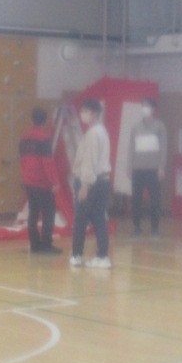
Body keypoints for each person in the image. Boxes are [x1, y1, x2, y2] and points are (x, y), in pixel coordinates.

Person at [69, 98, 112, 269]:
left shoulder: (93, 134)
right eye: (82, 111)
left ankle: (76, 255)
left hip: (91, 181)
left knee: (80, 219)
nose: (82, 115)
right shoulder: (101, 130)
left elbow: (89, 161)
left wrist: (85, 185)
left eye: (85, 111)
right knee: (99, 218)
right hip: (103, 180)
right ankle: (102, 256)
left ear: (94, 114)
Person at [19, 107, 62, 255]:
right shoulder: (44, 138)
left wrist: (26, 177)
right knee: (48, 214)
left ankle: (34, 244)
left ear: (32, 120)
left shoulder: (24, 139)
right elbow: (47, 163)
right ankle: (46, 245)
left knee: (33, 213)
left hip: (29, 182)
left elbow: (22, 161)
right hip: (43, 183)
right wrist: (55, 182)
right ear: (45, 121)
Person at [127, 97, 167, 237]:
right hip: (137, 169)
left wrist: (161, 167)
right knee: (136, 200)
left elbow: (163, 148)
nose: (144, 108)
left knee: (155, 200)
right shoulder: (135, 127)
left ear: (153, 109)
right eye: (143, 106)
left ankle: (155, 228)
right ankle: (136, 227)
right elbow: (131, 148)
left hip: (153, 169)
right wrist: (129, 166)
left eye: (147, 106)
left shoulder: (160, 126)